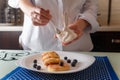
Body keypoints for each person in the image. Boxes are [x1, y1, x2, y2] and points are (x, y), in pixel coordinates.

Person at [8, 0, 99, 51]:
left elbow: (91, 7)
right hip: (36, 47)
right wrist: (30, 11)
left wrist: (80, 24)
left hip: (77, 49)